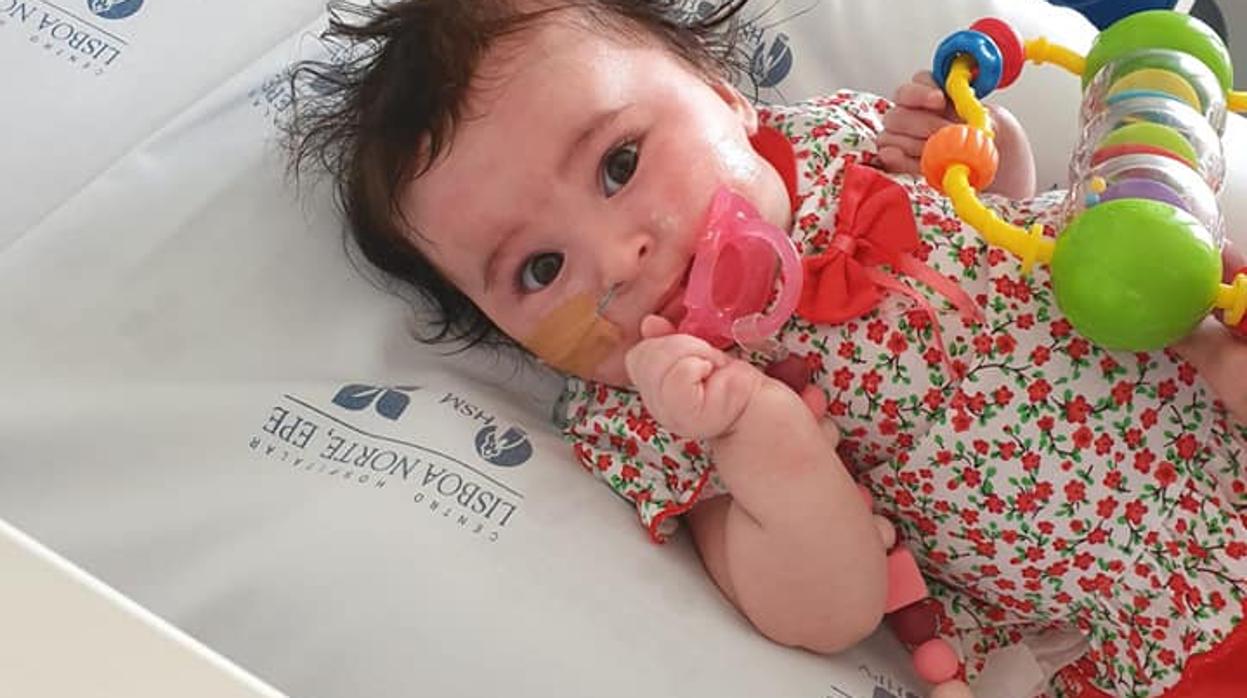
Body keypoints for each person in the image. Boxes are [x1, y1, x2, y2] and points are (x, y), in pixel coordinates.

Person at [285, 1, 1247, 695]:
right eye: (539, 269)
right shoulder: (655, 415)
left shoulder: (841, 140)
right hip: (1162, 635)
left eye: (620, 163)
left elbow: (1001, 221)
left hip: (1192, 374)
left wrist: (978, 149)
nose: (617, 261)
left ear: (726, 99)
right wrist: (761, 437)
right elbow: (826, 612)